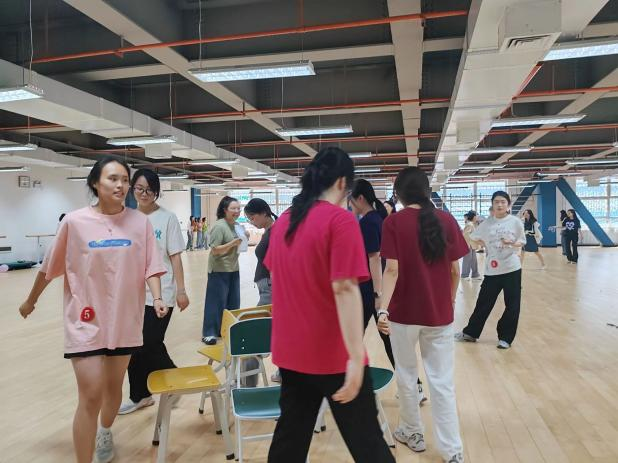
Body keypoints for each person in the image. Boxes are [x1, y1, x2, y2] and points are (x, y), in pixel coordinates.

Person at [18, 156, 166, 463]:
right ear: (95, 183)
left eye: (124, 180)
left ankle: (105, 431)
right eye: (113, 179)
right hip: (84, 320)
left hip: (125, 320)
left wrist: (158, 297)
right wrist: (31, 300)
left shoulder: (140, 223)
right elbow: (49, 267)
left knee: (113, 390)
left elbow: (151, 266)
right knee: (90, 394)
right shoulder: (74, 222)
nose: (120, 185)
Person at [265, 147, 395, 463]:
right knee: (370, 447)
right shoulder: (340, 220)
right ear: (341, 183)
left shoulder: (284, 222)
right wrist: (356, 356)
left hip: (291, 355)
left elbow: (275, 278)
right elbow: (345, 289)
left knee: (288, 445)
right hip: (333, 356)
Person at [376, 167, 467, 463]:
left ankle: (412, 432)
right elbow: (455, 270)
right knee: (442, 382)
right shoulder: (447, 220)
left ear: (399, 193)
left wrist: (383, 308)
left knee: (406, 375)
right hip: (439, 315)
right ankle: (452, 450)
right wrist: (448, 299)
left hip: (403, 314)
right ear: (427, 191)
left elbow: (392, 270)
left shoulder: (393, 222)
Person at [118, 169, 190, 415]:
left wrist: (181, 290)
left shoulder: (167, 218)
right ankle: (140, 395)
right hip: (132, 293)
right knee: (133, 346)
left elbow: (175, 257)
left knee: (150, 342)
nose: (144, 193)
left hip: (162, 291)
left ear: (157, 192)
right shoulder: (126, 217)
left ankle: (175, 380)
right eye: (139, 188)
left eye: (149, 189)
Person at [455, 191, 526, 349]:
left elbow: (521, 242)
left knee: (512, 305)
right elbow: (475, 242)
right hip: (492, 269)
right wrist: (468, 237)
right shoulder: (487, 223)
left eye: (503, 202)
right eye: (496, 202)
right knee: (483, 302)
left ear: (508, 205)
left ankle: (506, 338)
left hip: (512, 268)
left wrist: (511, 243)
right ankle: (471, 333)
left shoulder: (515, 222)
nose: (499, 205)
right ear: (492, 205)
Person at [348, 179, 394, 366]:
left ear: (360, 198)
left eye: (351, 200)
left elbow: (374, 258)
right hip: (374, 285)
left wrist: (378, 294)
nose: (350, 205)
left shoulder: (367, 222)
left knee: (358, 334)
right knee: (384, 336)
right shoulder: (377, 219)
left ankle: (349, 374)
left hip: (370, 288)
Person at [202, 196, 243, 345]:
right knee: (216, 302)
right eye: (233, 208)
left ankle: (227, 329)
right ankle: (209, 333)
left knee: (233, 302)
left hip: (233, 268)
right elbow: (215, 250)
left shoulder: (237, 225)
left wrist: (244, 238)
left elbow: (240, 243)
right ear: (225, 210)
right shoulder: (219, 226)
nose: (237, 211)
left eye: (238, 208)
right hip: (219, 270)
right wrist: (232, 243)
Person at [461, 211, 481, 280]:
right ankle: (464, 275)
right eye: (477, 216)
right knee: (467, 260)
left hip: (472, 246)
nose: (477, 217)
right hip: (468, 245)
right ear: (474, 216)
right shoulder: (470, 224)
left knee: (473, 260)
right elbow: (465, 235)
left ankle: (475, 275)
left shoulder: (472, 224)